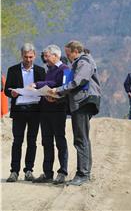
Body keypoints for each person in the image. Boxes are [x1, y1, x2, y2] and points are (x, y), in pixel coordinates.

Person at [47, 40, 101, 186]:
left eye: (68, 53)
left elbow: (78, 82)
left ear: (75, 51)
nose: (68, 57)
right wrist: (57, 99)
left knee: (80, 139)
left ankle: (83, 174)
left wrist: (57, 90)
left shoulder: (84, 62)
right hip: (80, 101)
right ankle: (84, 172)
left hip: (83, 103)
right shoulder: (83, 62)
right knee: (82, 138)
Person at [4, 43, 45, 182]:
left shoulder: (40, 71)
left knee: (32, 141)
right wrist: (12, 93)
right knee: (17, 141)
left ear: (34, 56)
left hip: (35, 110)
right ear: (21, 56)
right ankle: (14, 171)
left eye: (31, 57)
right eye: (26, 57)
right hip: (19, 110)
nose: (28, 60)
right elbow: (6, 90)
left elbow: (45, 88)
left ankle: (28, 170)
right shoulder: (13, 70)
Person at [31, 45, 69, 184]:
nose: (45, 59)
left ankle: (62, 172)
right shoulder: (50, 70)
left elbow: (59, 84)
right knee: (46, 141)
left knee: (60, 140)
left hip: (58, 110)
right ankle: (47, 173)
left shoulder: (64, 69)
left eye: (47, 56)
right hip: (45, 110)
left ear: (55, 55)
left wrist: (38, 84)